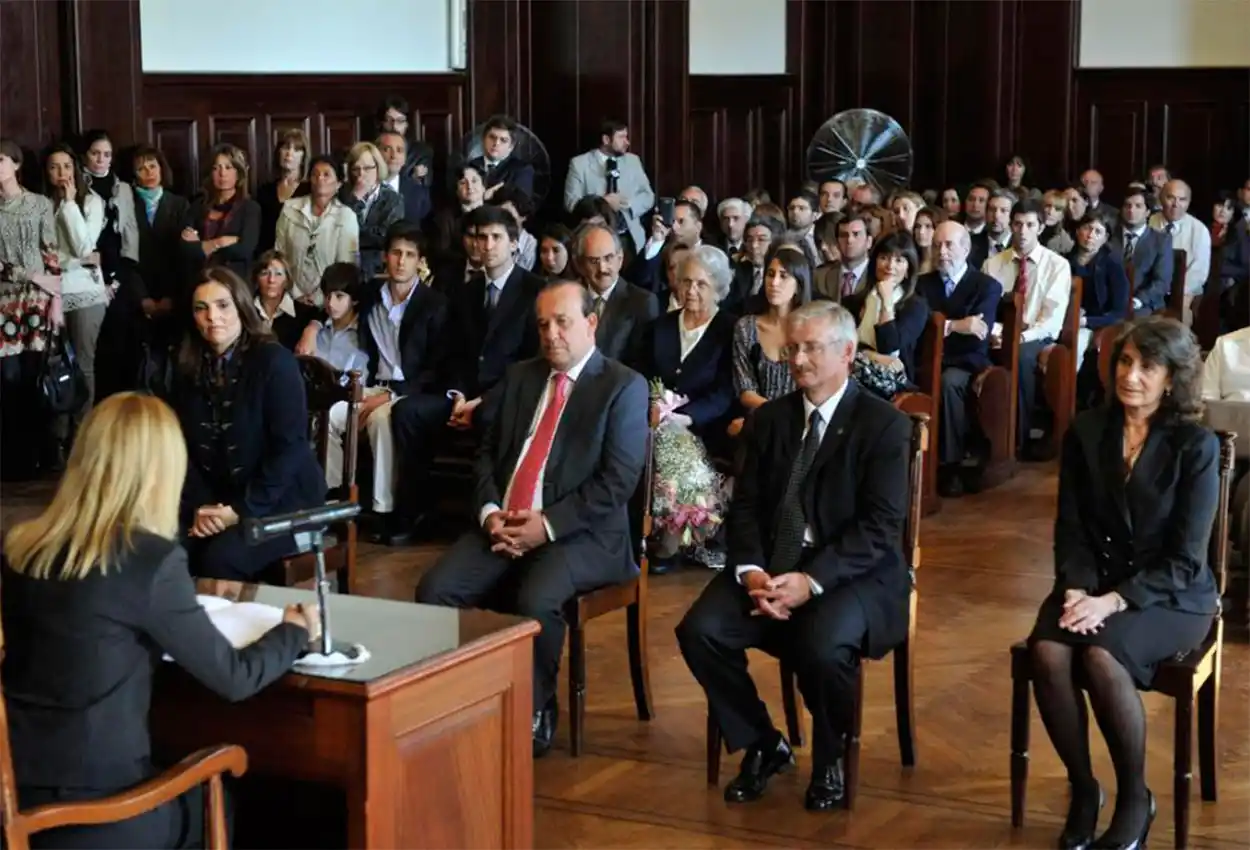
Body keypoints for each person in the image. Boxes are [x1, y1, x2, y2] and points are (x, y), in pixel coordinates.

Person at [1, 392, 319, 850]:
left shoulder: (24, 549)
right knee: (233, 801)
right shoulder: (148, 561)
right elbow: (235, 678)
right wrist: (293, 631)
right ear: (161, 472)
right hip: (101, 815)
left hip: (19, 801)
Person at [677, 300, 912, 811]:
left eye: (811, 348)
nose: (797, 360)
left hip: (851, 573)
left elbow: (879, 529)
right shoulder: (769, 420)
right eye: (792, 349)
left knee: (822, 647)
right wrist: (751, 571)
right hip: (771, 565)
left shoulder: (883, 425)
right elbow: (745, 507)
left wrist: (812, 581)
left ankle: (830, 756)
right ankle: (764, 743)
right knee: (700, 630)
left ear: (846, 353)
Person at [415, 280, 649, 758]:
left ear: (591, 323)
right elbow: (485, 454)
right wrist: (489, 513)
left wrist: (547, 525)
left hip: (584, 535)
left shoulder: (623, 386)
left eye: (562, 322)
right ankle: (459, 700)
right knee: (434, 590)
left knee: (535, 597)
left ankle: (535, 707)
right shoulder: (521, 376)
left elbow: (617, 482)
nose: (551, 334)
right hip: (503, 522)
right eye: (543, 324)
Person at [1028, 316, 1219, 850]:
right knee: (1048, 651)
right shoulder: (1088, 430)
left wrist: (1113, 601)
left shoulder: (1195, 445)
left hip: (1172, 594)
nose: (1130, 375)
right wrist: (1076, 589)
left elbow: (1186, 559)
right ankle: (1085, 789)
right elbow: (1072, 528)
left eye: (1147, 366)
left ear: (1172, 378)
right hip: (1093, 583)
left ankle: (1136, 797)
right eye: (1125, 361)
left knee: (1100, 656)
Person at [171, 267, 326, 580]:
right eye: (201, 308)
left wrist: (239, 511)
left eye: (222, 305)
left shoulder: (274, 362)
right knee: (164, 550)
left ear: (241, 307)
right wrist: (203, 509)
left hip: (286, 501)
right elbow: (183, 450)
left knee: (220, 558)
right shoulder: (187, 368)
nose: (213, 317)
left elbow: (290, 451)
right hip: (219, 499)